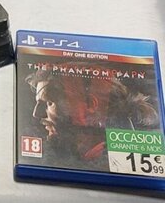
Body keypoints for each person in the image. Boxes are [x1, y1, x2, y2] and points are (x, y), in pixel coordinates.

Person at [25, 65, 160, 169]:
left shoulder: (113, 162)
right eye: (38, 103)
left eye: (49, 103)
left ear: (90, 104)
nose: (36, 114)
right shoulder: (84, 155)